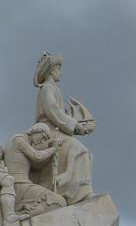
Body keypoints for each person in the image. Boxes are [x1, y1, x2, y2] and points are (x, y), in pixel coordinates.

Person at [33, 52, 94, 204]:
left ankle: (80, 191)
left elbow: (58, 113)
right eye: (58, 68)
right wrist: (75, 126)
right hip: (49, 132)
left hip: (57, 130)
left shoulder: (53, 89)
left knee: (86, 153)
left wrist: (76, 123)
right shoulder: (47, 88)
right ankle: (75, 192)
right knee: (80, 150)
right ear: (51, 70)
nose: (60, 72)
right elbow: (53, 111)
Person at [4, 123, 66, 216]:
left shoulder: (24, 143)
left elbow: (36, 165)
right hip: (19, 185)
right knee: (58, 201)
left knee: (59, 202)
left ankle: (26, 213)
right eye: (43, 136)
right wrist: (53, 149)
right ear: (36, 131)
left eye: (45, 139)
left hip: (22, 185)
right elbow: (37, 156)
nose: (42, 140)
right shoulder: (19, 139)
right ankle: (25, 214)